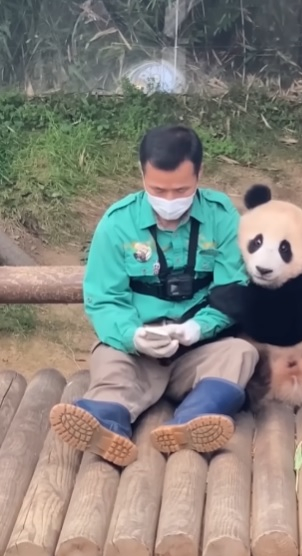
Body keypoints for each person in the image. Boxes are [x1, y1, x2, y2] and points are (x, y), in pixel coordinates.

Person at [49, 124, 259, 467]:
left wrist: (198, 328)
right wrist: (133, 336)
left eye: (182, 190)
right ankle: (105, 422)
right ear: (141, 173)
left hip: (197, 350)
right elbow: (103, 299)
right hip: (134, 351)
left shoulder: (221, 217)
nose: (170, 200)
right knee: (111, 368)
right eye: (158, 189)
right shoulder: (117, 224)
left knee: (241, 353)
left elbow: (232, 290)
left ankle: (192, 420)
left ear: (200, 174)